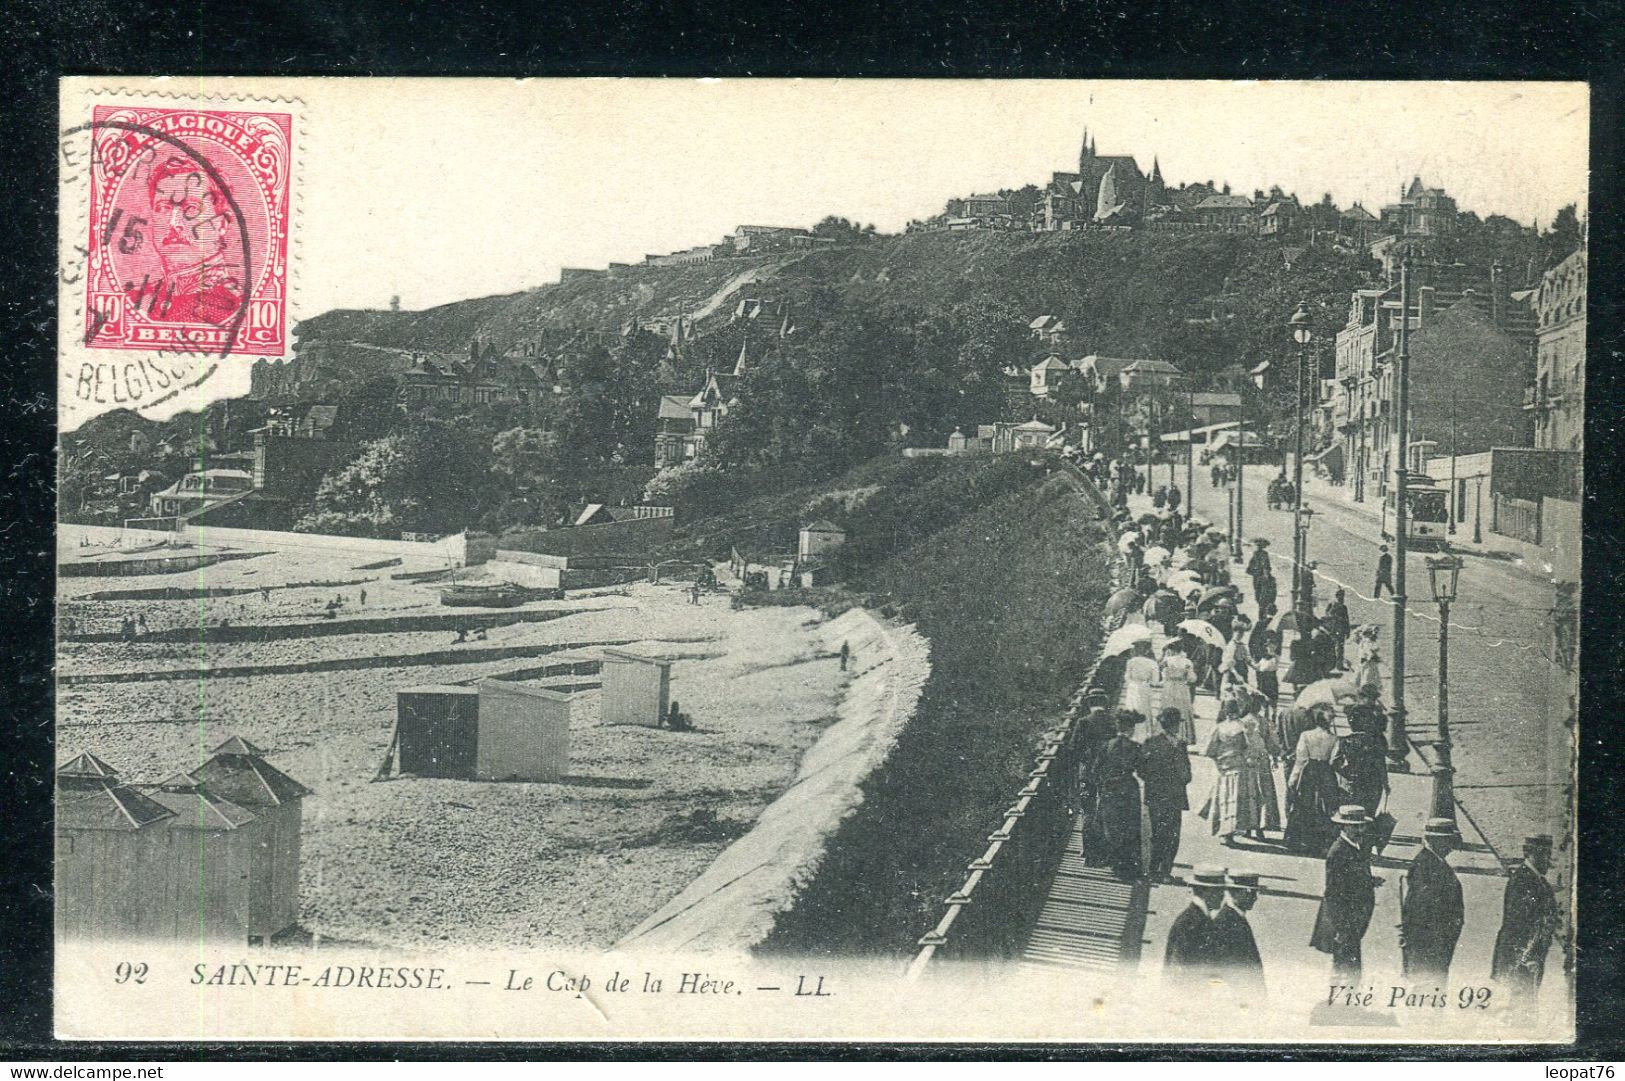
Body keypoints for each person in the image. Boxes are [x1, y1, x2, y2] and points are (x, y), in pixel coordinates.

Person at [1310, 805, 1377, 982]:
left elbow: (1352, 879)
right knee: (1345, 970)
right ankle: (1342, 1003)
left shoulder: (1355, 847)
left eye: (1362, 826)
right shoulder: (1338, 852)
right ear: (1344, 827)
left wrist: (1370, 881)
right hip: (1345, 921)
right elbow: (1333, 893)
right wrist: (1340, 927)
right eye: (1355, 826)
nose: (1360, 830)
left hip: (1354, 920)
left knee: (1349, 966)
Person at [1491, 834, 1560, 1005]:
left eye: (1548, 853)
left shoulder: (1539, 882)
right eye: (1543, 853)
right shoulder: (1522, 881)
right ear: (1529, 853)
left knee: (1526, 1005)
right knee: (1522, 1008)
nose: (1548, 859)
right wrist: (1528, 957)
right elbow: (1518, 924)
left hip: (1531, 957)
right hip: (1521, 959)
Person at [1400, 818, 1465, 986]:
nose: (1451, 846)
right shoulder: (1423, 865)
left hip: (1438, 943)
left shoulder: (1435, 862)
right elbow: (1422, 909)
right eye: (1448, 840)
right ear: (1435, 840)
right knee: (1428, 988)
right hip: (1429, 944)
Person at [1093, 711, 1145, 881]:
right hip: (1128, 789)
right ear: (1131, 729)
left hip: (1110, 789)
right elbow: (1142, 771)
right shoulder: (1136, 747)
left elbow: (1096, 769)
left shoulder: (1106, 745)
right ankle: (1129, 866)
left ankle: (1115, 864)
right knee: (1130, 826)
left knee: (1112, 826)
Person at [1140, 709, 1192, 882]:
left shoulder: (1150, 742)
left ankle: (1155, 870)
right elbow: (1186, 774)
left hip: (1156, 794)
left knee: (1158, 832)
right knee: (1171, 834)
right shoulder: (1180, 745)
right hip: (1173, 795)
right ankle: (1163, 871)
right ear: (1174, 724)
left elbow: (1142, 770)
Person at [1284, 707, 1343, 855]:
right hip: (1325, 772)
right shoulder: (1334, 738)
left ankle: (1300, 842)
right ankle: (1322, 843)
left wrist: (1293, 779)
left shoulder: (1306, 735)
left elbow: (1301, 758)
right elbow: (1334, 759)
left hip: (1309, 772)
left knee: (1304, 804)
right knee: (1325, 806)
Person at [1200, 698, 1256, 847]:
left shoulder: (1219, 728)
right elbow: (1248, 748)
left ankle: (1222, 832)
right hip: (1238, 765)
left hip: (1222, 767)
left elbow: (1207, 750)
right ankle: (1230, 833)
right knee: (1235, 799)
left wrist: (1218, 758)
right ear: (1237, 711)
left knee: (1222, 798)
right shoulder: (1242, 728)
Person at [1164, 865, 1229, 981]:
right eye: (1219, 890)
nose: (1223, 896)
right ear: (1206, 891)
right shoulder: (1189, 922)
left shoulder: (1198, 917)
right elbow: (1177, 970)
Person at [1212, 870, 1267, 994]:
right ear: (1239, 892)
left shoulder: (1234, 917)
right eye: (1251, 892)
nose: (1255, 898)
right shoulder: (1226, 922)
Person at [1238, 696, 1282, 837]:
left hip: (1246, 761)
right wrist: (1275, 757)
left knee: (1248, 793)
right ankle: (1260, 827)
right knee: (1263, 792)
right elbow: (1272, 743)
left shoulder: (1242, 722)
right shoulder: (1264, 722)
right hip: (1262, 761)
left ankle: (1247, 827)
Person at [1335, 704, 1390, 817]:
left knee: (1353, 814)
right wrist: (1385, 783)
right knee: (1369, 814)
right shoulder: (1375, 741)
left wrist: (1347, 773)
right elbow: (1381, 764)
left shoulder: (1345, 741)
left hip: (1353, 783)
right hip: (1373, 783)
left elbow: (1334, 763)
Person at [1160, 641, 1197, 744]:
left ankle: (1166, 732)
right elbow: (1192, 678)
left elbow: (1164, 676)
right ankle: (1183, 735)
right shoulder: (1187, 662)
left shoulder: (1167, 660)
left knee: (1169, 706)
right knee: (1181, 708)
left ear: (1171, 649)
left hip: (1169, 686)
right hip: (1181, 687)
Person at [1123, 641, 1160, 736]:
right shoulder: (1152, 663)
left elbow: (1127, 677)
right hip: (1144, 687)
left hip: (1133, 686)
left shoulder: (1131, 661)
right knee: (1144, 708)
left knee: (1132, 707)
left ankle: (1130, 731)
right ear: (1147, 650)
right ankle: (1144, 732)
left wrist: (1132, 683)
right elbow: (1155, 681)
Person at [1324, 589, 1351, 671]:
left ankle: (1339, 665)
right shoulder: (1331, 605)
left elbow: (1347, 619)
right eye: (1340, 596)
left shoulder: (1344, 607)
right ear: (1337, 596)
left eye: (1343, 596)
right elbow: (1327, 616)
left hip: (1341, 630)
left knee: (1340, 649)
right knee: (1331, 648)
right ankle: (1330, 665)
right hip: (1332, 630)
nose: (1342, 598)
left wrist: (1348, 631)